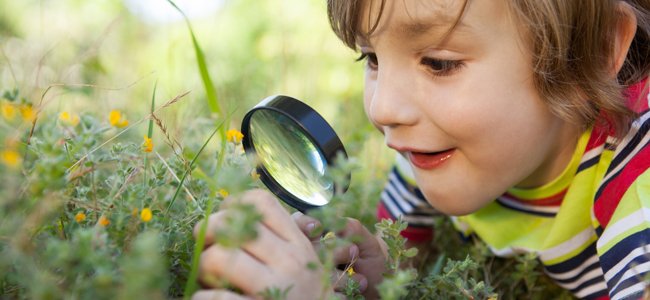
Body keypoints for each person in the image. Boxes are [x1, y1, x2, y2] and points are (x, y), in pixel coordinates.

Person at [193, 0, 650, 299]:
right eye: (372, 58)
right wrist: (377, 279)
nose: (384, 108)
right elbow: (402, 267)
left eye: (439, 63)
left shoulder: (638, 177)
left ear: (594, 50)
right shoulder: (431, 148)